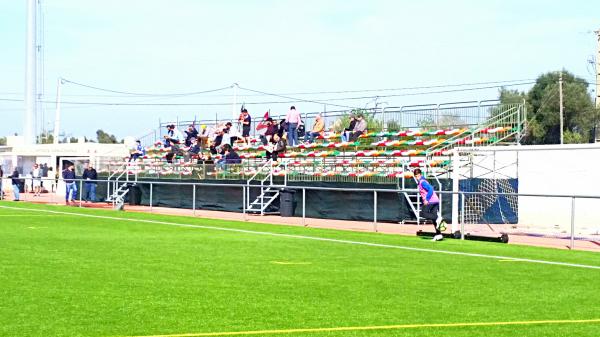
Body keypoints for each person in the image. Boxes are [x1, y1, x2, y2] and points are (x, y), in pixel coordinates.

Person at [414, 168, 447, 241]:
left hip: (431, 201)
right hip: (435, 200)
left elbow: (431, 189)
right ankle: (439, 234)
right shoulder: (421, 181)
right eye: (416, 176)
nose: (417, 177)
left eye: (418, 175)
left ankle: (438, 218)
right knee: (433, 219)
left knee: (422, 213)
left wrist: (427, 199)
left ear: (420, 175)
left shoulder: (422, 182)